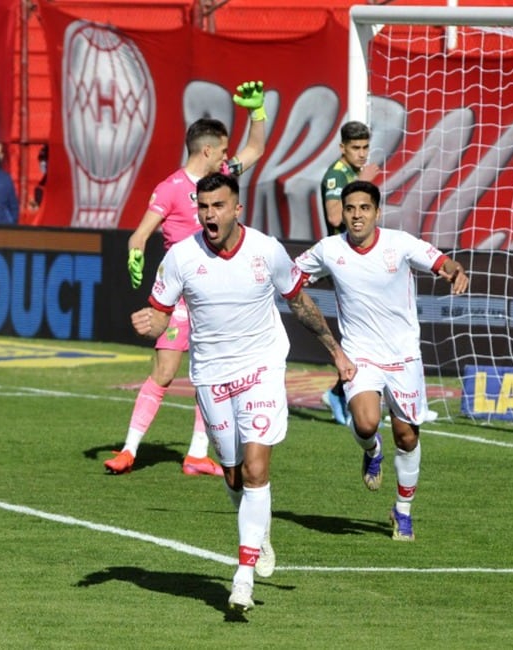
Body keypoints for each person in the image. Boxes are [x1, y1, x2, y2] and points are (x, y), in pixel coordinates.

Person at [131, 172, 356, 612]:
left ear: (237, 209)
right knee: (233, 475)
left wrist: (335, 351)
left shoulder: (266, 250)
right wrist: (149, 324)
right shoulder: (180, 258)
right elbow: (161, 317)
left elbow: (300, 302)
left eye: (218, 206)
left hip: (262, 368)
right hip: (212, 375)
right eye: (203, 207)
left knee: (256, 469)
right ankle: (259, 529)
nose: (210, 215)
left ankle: (243, 577)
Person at [105, 81, 267, 477]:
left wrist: (256, 113)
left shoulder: (221, 179)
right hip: (179, 296)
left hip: (216, 295)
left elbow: (256, 149)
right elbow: (140, 232)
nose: (229, 157)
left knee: (211, 374)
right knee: (165, 371)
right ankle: (128, 450)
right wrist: (136, 252)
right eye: (224, 150)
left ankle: (196, 454)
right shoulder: (172, 188)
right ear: (208, 151)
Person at [296, 180, 469, 541]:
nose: (357, 216)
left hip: (404, 355)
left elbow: (441, 261)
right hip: (360, 353)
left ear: (377, 212)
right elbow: (290, 277)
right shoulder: (329, 250)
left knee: (407, 438)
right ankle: (372, 452)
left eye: (364, 208)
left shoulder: (400, 243)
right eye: (350, 209)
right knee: (366, 423)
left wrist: (455, 270)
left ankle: (402, 512)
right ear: (341, 213)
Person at [318, 120, 381, 425]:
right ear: (342, 148)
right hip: (343, 263)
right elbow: (333, 215)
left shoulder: (354, 173)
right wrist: (362, 185)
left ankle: (345, 393)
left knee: (371, 332)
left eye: (365, 147)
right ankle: (340, 393)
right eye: (356, 148)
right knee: (361, 335)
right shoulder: (336, 176)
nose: (362, 153)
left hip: (360, 260)